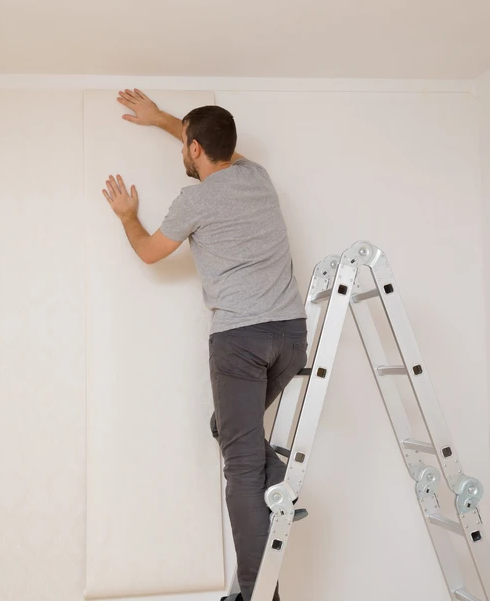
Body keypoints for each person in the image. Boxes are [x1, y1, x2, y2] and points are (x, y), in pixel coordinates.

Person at [102, 89, 309, 601]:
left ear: (194, 148)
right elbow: (213, 147)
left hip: (239, 342)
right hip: (291, 338)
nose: (182, 153)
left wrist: (128, 215)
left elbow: (151, 252)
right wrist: (163, 120)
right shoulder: (257, 178)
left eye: (184, 145)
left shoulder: (194, 199)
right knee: (228, 428)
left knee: (239, 468)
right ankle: (278, 472)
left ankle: (257, 595)